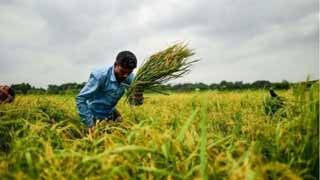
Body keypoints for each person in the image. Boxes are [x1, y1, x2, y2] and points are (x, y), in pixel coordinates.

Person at [76, 51, 143, 130]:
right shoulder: (100, 76)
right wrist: (90, 125)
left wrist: (138, 97)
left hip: (110, 112)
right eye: (123, 71)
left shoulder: (130, 78)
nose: (125, 75)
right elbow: (80, 98)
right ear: (115, 65)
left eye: (129, 72)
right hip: (93, 114)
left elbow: (133, 103)